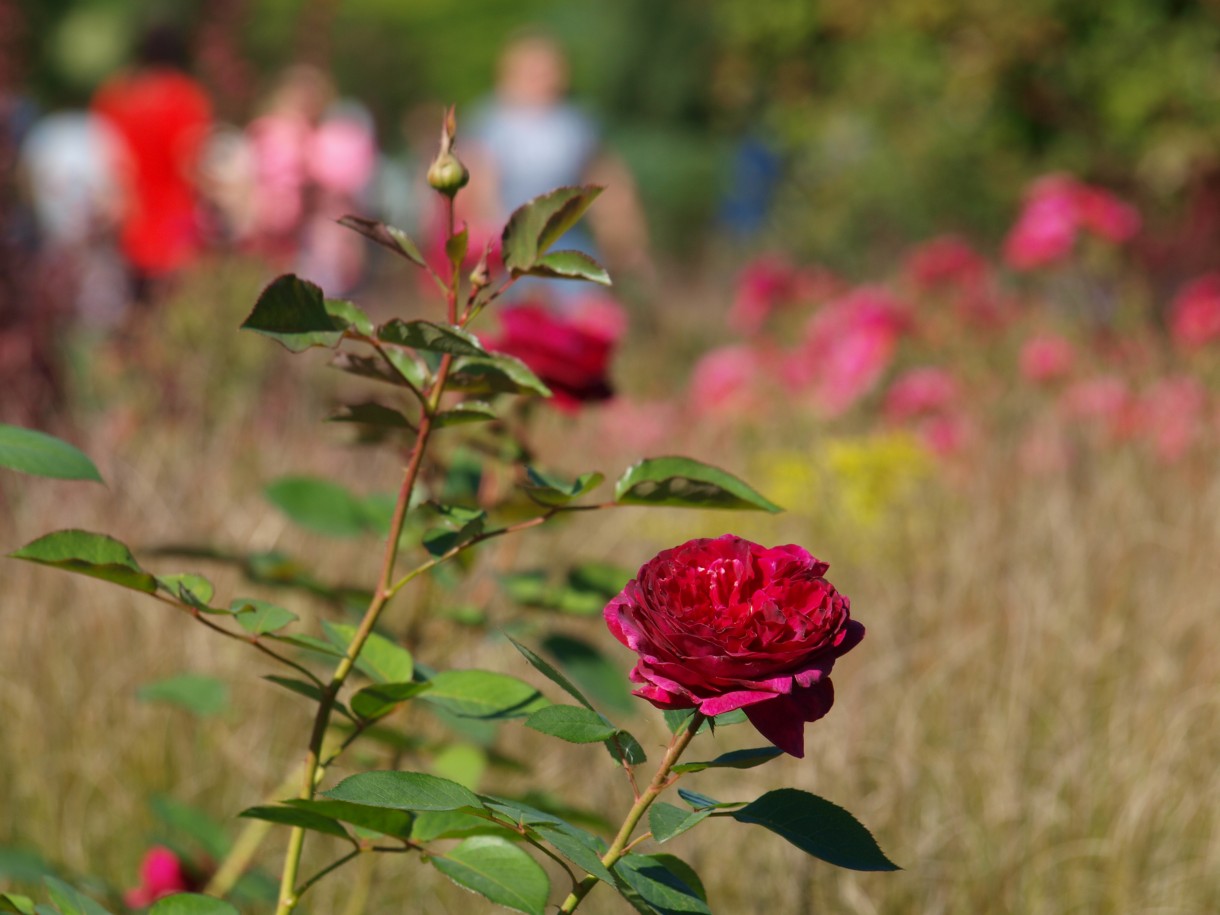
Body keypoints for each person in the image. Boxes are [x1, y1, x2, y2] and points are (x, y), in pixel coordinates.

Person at [462, 31, 651, 307]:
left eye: (549, 69)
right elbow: (479, 188)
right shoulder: (490, 122)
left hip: (566, 242)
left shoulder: (575, 123)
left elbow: (608, 184)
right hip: (509, 243)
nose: (542, 78)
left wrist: (626, 241)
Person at [92, 23, 213, 301]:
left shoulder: (116, 96)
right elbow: (190, 165)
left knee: (136, 312)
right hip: (177, 223)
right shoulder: (186, 97)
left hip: (132, 224)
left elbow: (111, 164)